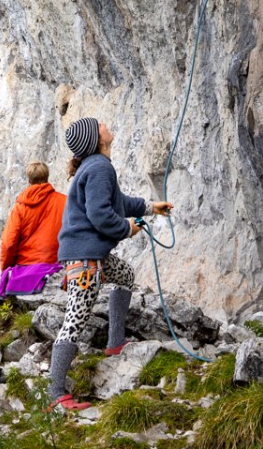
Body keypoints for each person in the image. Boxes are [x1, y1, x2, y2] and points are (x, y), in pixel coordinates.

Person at [47, 117, 173, 410]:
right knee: (75, 320)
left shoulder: (95, 167)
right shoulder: (100, 167)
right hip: (86, 260)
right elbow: (101, 214)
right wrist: (127, 228)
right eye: (99, 125)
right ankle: (55, 394)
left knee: (126, 274)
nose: (104, 124)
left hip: (89, 256)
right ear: (97, 139)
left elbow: (117, 201)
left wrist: (150, 208)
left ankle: (115, 342)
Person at [0, 162, 67, 297]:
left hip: (25, 266)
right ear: (47, 177)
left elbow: (8, 243)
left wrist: (6, 269)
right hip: (55, 263)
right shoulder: (64, 202)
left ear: (29, 180)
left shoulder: (20, 208)